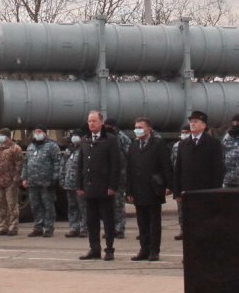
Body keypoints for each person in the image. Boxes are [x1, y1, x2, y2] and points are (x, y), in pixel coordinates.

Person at [75, 110, 123, 260]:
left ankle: (109, 249)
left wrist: (112, 186)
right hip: (89, 188)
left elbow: (116, 165)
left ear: (101, 122)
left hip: (104, 188)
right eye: (89, 121)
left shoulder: (110, 140)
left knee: (108, 220)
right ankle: (94, 248)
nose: (91, 124)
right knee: (91, 221)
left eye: (94, 121)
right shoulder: (85, 140)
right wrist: (80, 186)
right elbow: (80, 164)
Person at [172, 110, 223, 244]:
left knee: (206, 224)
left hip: (205, 191)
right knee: (189, 225)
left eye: (196, 122)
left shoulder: (213, 144)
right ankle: (191, 255)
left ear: (203, 125)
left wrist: (215, 191)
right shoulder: (183, 144)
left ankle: (206, 253)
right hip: (187, 192)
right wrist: (177, 191)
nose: (192, 124)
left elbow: (218, 170)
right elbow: (178, 169)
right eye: (191, 121)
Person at [126, 117, 171, 261]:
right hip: (138, 190)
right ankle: (144, 249)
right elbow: (129, 170)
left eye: (141, 127)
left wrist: (169, 186)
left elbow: (166, 167)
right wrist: (129, 191)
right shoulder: (133, 146)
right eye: (136, 127)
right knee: (142, 223)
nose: (138, 130)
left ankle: (154, 251)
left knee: (154, 223)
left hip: (153, 189)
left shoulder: (158, 144)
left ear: (149, 129)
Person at [21, 125, 61, 237]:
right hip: (33, 182)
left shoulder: (52, 146)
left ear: (45, 133)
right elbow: (26, 163)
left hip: (46, 183)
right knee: (35, 206)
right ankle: (38, 227)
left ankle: (49, 228)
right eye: (36, 131)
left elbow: (57, 163)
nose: (37, 133)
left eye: (40, 131)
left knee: (48, 205)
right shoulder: (31, 146)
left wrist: (54, 178)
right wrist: (24, 178)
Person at [0, 128, 24, 236]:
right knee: (0, 205)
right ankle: (3, 226)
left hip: (10, 182)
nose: (1, 137)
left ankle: (13, 227)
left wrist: (16, 180)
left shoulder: (15, 149)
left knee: (12, 205)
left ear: (8, 137)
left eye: (3, 135)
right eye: (0, 135)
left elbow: (19, 165)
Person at [61, 131, 87, 238]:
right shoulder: (69, 150)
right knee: (72, 207)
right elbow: (62, 165)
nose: (74, 138)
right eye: (73, 136)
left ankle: (84, 228)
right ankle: (74, 228)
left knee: (83, 207)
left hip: (79, 185)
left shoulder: (85, 149)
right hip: (69, 184)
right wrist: (62, 180)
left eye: (77, 136)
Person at [220, 114, 239, 188]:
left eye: (237, 123)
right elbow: (221, 155)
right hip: (227, 179)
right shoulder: (227, 137)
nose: (235, 125)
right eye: (233, 123)